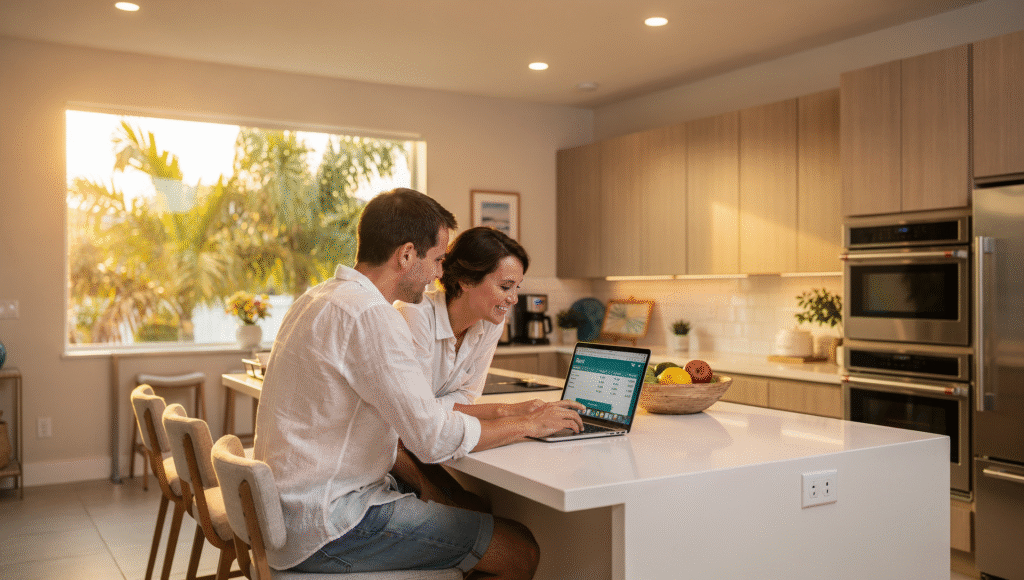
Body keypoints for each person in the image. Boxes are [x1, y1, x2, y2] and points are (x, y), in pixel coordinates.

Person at [253, 188, 583, 580]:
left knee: (472, 511)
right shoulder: (373, 316)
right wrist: (528, 424)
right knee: (519, 550)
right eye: (438, 260)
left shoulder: (317, 298)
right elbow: (431, 439)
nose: (441, 273)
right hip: (332, 523)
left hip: (294, 512)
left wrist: (508, 412)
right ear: (407, 255)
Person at [393, 227, 556, 509]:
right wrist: (504, 412)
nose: (513, 299)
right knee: (473, 508)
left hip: (423, 442)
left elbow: (464, 398)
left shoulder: (491, 322)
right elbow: (412, 417)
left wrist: (434, 407)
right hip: (392, 452)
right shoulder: (415, 314)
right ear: (466, 280)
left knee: (478, 507)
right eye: (505, 287)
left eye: (517, 288)